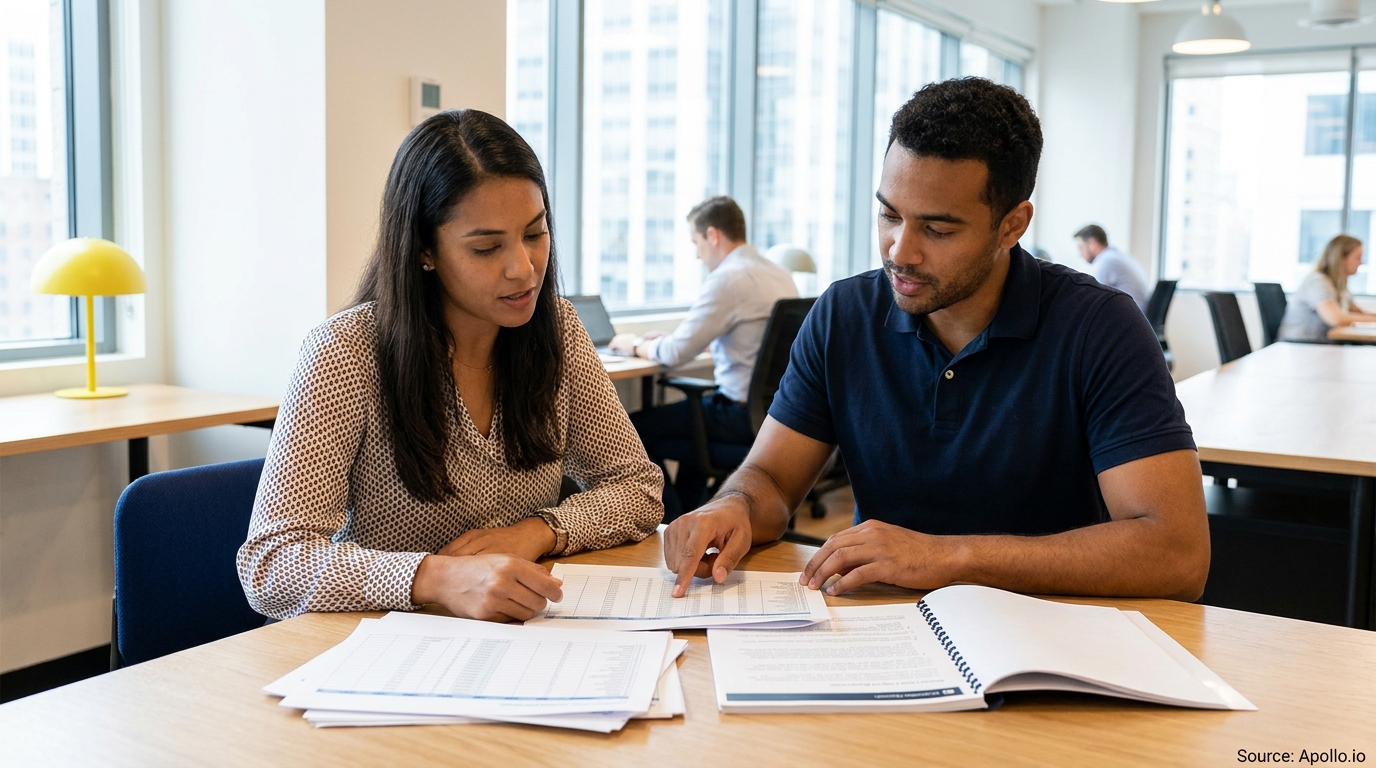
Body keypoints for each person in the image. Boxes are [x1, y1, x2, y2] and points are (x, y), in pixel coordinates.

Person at [662, 78, 1209, 603]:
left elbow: (1177, 554)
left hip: (1047, 635)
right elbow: (772, 481)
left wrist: (949, 558)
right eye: (889, 214)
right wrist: (734, 504)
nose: (900, 250)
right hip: (879, 624)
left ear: (1012, 225)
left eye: (938, 230)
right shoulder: (843, 315)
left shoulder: (1099, 326)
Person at [238, 110, 663, 623]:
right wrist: (435, 577)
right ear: (424, 251)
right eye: (486, 248)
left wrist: (536, 532)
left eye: (534, 234)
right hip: (381, 647)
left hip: (515, 637)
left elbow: (637, 487)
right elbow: (272, 564)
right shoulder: (347, 351)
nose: (523, 269)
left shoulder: (557, 329)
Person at [609, 196, 798, 515]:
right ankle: (689, 514)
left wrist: (633, 345)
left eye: (696, 242)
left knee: (633, 428)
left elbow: (673, 353)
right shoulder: (778, 274)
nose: (697, 254)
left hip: (737, 416)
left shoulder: (729, 278)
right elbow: (758, 342)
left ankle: (666, 518)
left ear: (713, 235)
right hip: (773, 414)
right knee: (689, 431)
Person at [1277, 234, 1376, 343]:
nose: (1361, 262)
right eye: (1357, 257)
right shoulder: (1318, 282)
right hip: (1301, 345)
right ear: (1341, 259)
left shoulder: (1340, 285)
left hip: (1321, 345)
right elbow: (1336, 319)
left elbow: (1357, 312)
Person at [1074, 224, 1149, 313]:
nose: (1080, 254)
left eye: (1081, 247)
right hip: (1139, 315)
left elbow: (1093, 298)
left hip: (1129, 317)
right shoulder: (1117, 256)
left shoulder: (1106, 261)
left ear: (1093, 243)